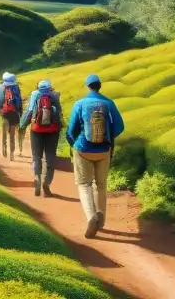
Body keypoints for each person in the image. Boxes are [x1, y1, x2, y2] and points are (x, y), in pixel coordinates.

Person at [65, 73, 125, 238]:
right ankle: (102, 219)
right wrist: (107, 138)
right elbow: (119, 127)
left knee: (84, 184)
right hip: (104, 151)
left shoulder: (80, 103)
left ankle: (91, 216)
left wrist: (73, 144)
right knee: (101, 185)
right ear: (100, 86)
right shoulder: (109, 103)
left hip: (83, 149)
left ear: (87, 87)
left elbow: (71, 130)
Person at [20, 78, 63, 197]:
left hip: (36, 130)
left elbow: (29, 112)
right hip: (53, 131)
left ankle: (37, 177)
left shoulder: (34, 95)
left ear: (38, 87)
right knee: (50, 158)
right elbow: (60, 114)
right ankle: (47, 183)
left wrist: (22, 125)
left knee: (36, 157)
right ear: (50, 87)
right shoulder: (55, 95)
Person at [0, 72, 23, 159]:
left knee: (4, 131)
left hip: (4, 112)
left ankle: (4, 147)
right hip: (14, 113)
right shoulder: (16, 87)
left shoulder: (0, 87)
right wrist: (19, 111)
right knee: (12, 133)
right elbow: (19, 101)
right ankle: (12, 153)